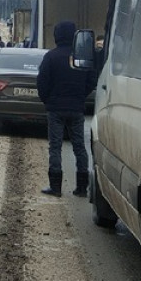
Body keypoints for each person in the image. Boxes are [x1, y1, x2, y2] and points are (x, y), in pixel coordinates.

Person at [36, 21, 96, 197]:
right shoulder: (81, 57)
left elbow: (42, 82)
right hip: (76, 108)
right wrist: (80, 96)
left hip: (55, 109)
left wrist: (47, 101)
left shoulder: (51, 57)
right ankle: (82, 187)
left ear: (57, 35)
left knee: (55, 147)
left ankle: (55, 187)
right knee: (79, 147)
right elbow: (92, 79)